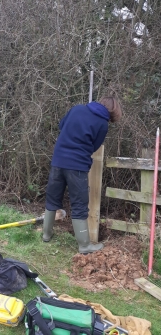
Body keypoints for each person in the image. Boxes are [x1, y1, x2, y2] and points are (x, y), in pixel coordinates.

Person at [42, 96, 122, 254]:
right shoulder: (102, 124)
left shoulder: (77, 108)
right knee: (79, 204)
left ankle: (46, 234)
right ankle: (85, 246)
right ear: (112, 112)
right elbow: (94, 146)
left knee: (52, 198)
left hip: (58, 160)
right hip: (77, 166)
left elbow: (61, 125)